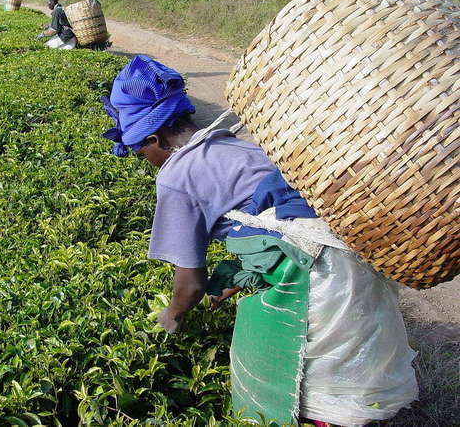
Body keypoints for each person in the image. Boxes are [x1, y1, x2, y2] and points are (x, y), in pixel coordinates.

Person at [101, 55, 419, 427]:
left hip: (313, 273)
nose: (145, 160)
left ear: (154, 139)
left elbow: (189, 280)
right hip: (345, 252)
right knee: (352, 356)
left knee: (298, 370)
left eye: (141, 153)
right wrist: (232, 281)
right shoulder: (233, 146)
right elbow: (268, 228)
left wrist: (172, 315)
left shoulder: (175, 175)